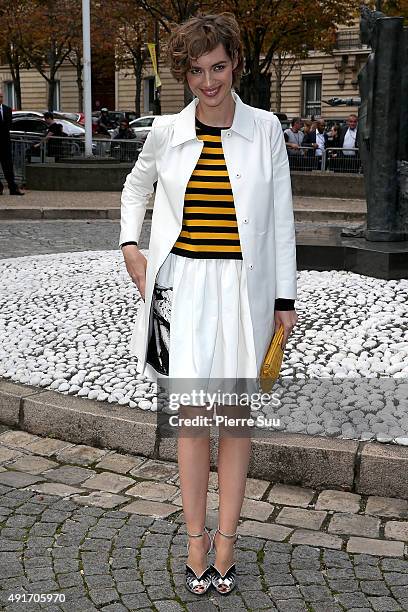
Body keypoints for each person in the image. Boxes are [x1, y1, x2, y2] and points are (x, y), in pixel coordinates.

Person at [119, 12, 297, 597]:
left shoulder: (266, 129)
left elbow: (282, 222)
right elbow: (135, 186)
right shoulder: (168, 131)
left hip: (243, 289)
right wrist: (130, 245)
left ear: (236, 65)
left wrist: (284, 298)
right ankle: (195, 540)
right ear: (184, 74)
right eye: (196, 71)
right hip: (187, 287)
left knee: (236, 421)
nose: (208, 81)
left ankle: (228, 542)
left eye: (217, 67)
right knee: (194, 421)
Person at [0, 91, 24, 195]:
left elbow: (9, 125)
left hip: (5, 143)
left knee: (8, 167)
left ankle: (12, 188)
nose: (0, 98)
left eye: (1, 96)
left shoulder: (7, 109)